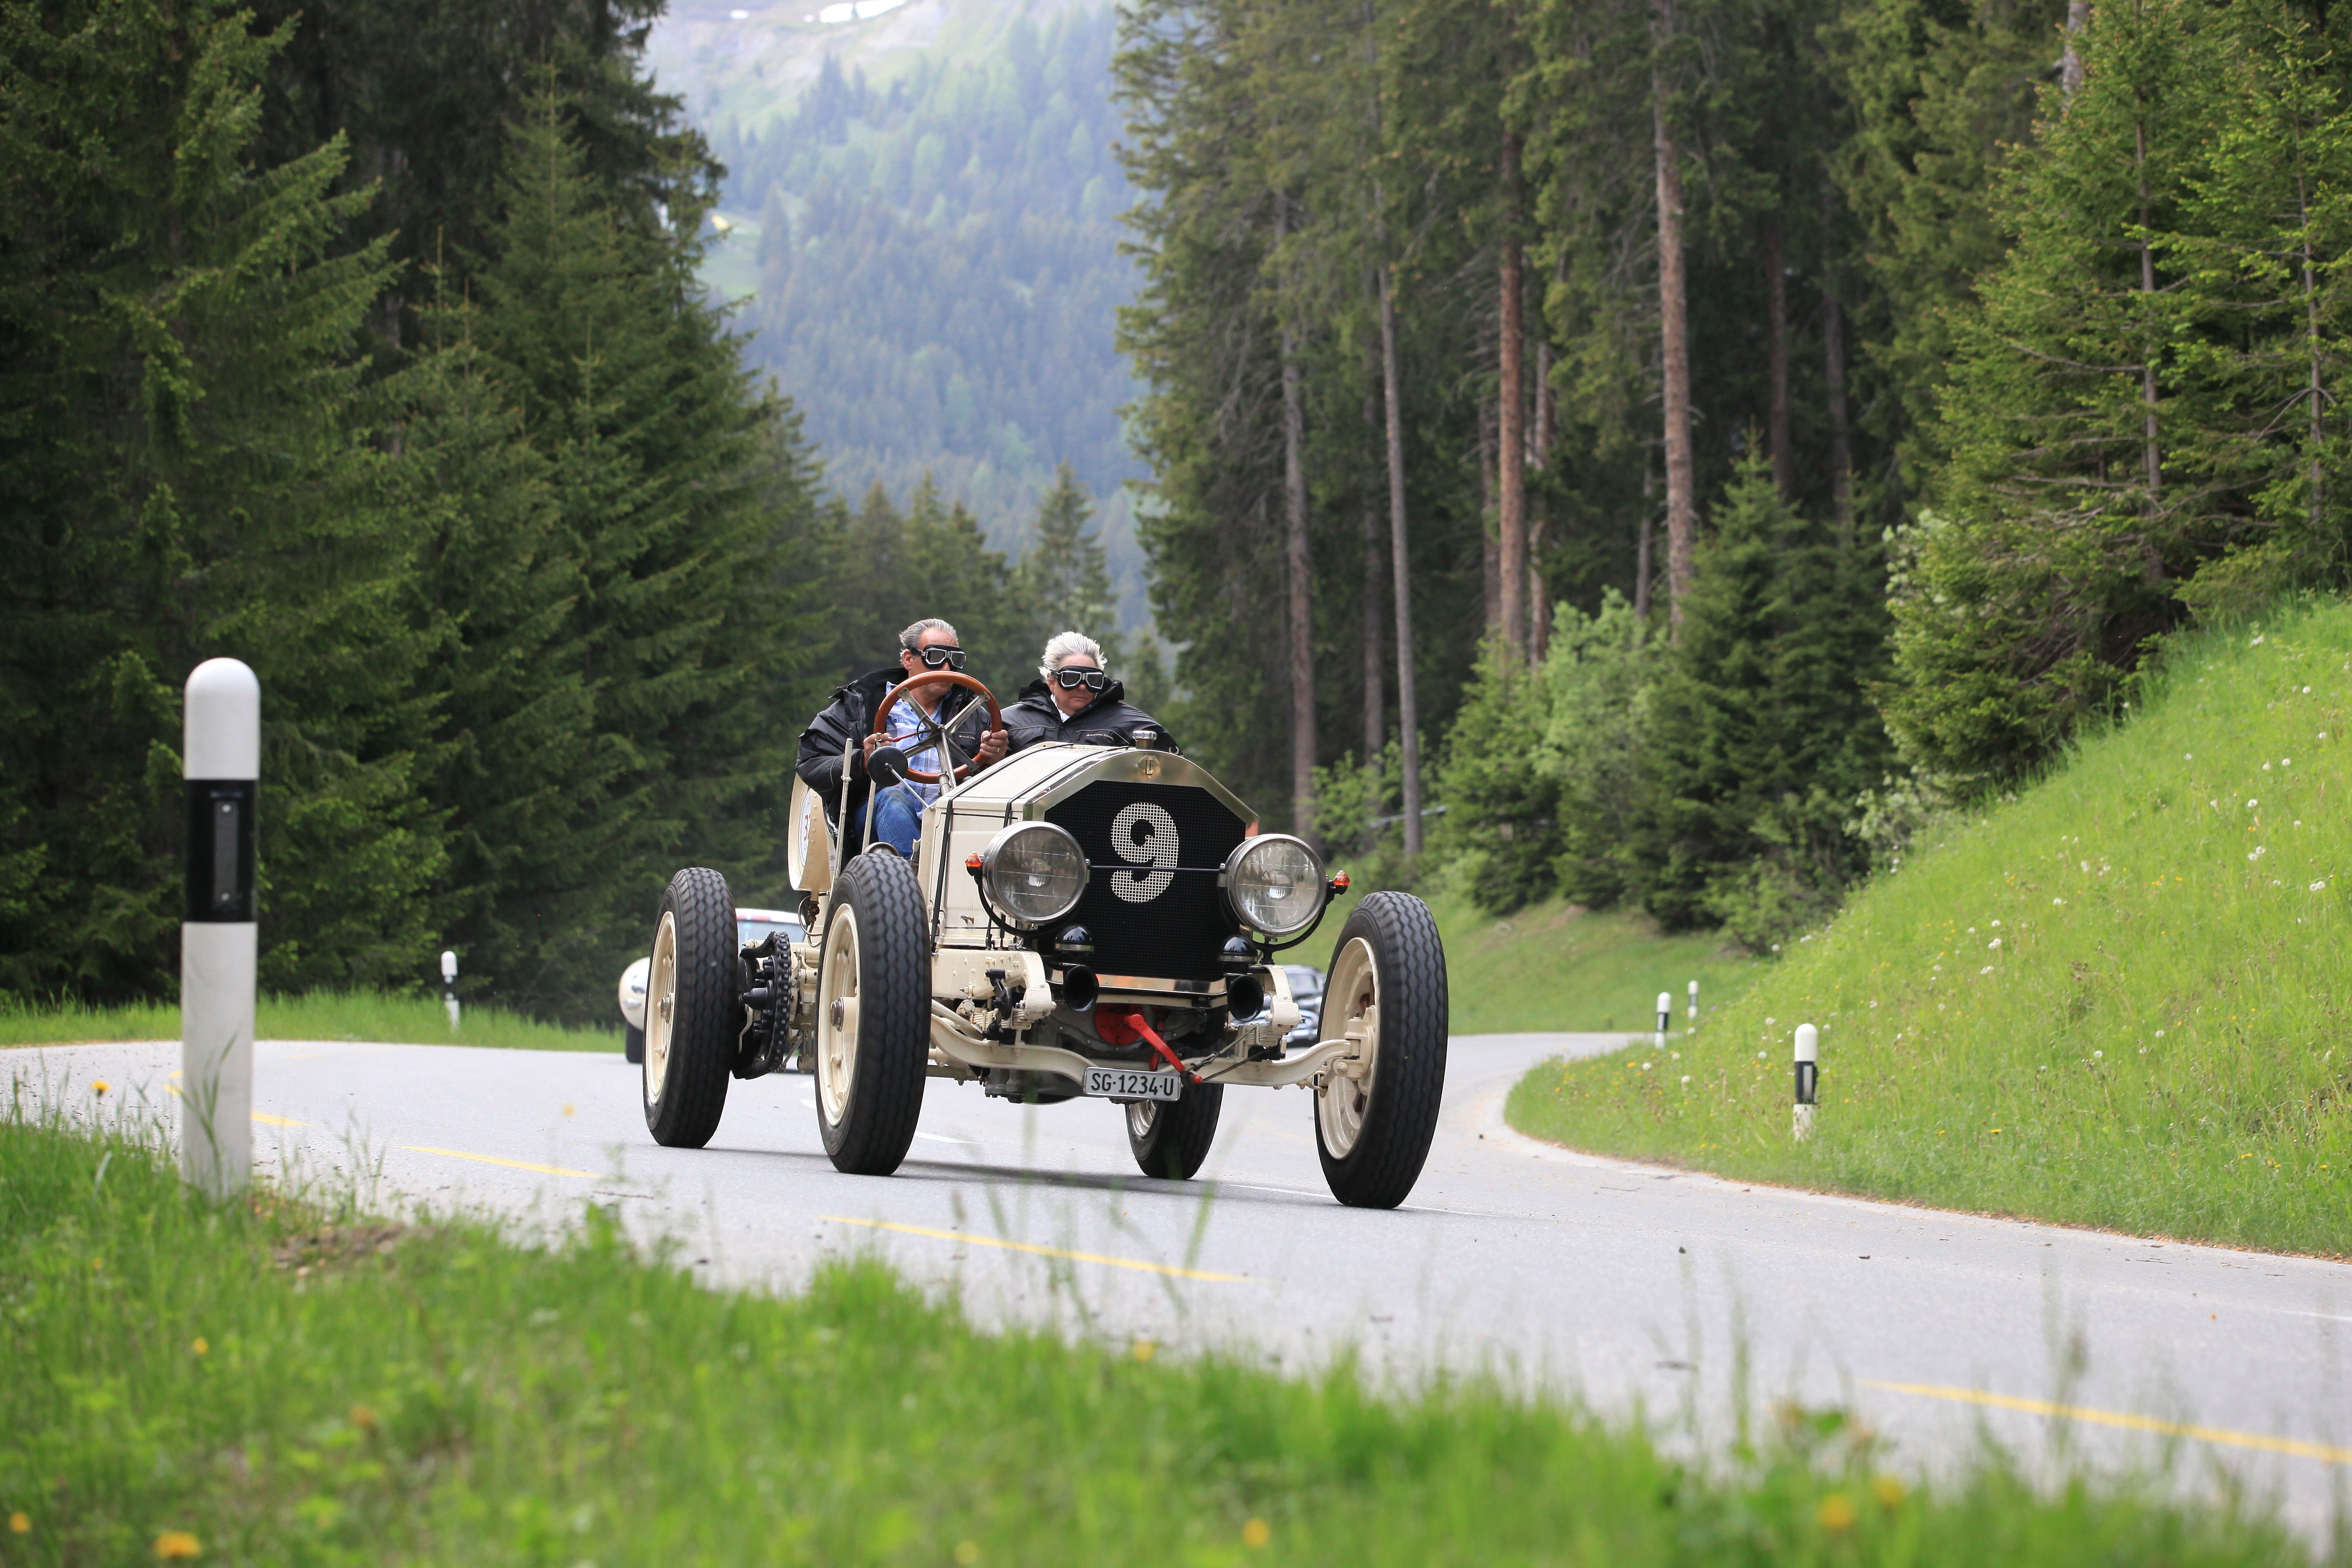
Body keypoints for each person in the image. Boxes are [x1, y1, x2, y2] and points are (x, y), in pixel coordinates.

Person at [797, 618, 1008, 858]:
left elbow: (1004, 784)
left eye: (955, 660)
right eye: (936, 656)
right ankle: (914, 877)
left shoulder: (973, 713)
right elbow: (811, 761)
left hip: (950, 821)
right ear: (909, 659)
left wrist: (997, 759)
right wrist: (863, 762)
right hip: (872, 825)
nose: (947, 668)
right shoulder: (859, 705)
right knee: (892, 796)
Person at [1002, 632, 1179, 753]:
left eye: (1093, 680)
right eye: (1071, 679)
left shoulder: (1132, 726)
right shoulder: (1009, 722)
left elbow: (1170, 775)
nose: (1082, 687)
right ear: (1052, 681)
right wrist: (994, 756)